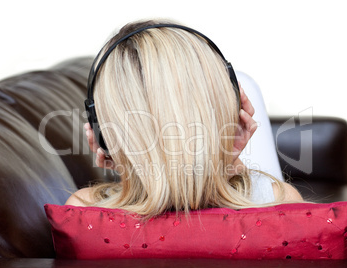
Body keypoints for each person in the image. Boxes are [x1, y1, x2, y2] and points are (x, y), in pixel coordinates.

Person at [66, 19, 303, 217]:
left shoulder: (82, 212)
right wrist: (227, 160)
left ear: (102, 135)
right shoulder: (280, 203)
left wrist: (127, 165)